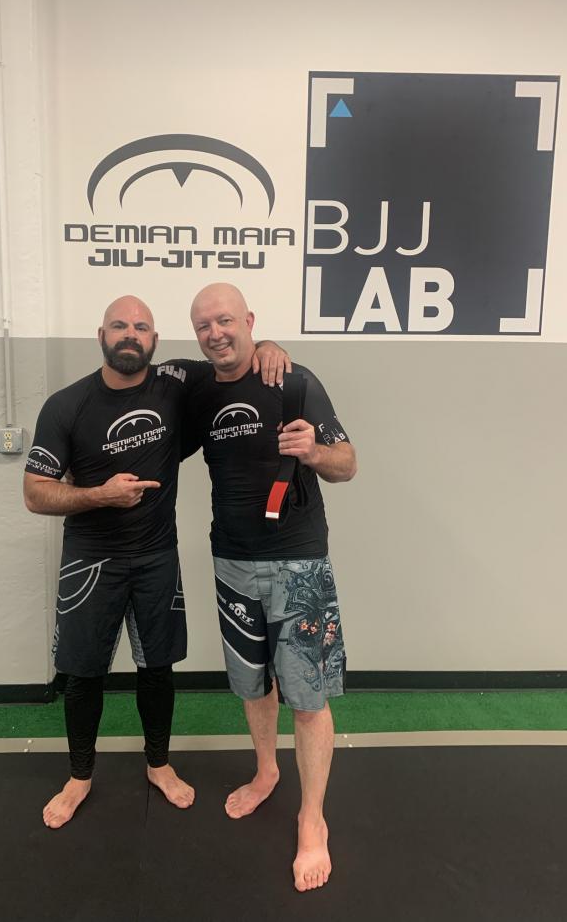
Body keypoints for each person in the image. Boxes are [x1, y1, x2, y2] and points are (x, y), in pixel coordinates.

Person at [23, 294, 288, 829]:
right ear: (101, 335)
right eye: (119, 325)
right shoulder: (66, 405)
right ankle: (79, 777)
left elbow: (230, 358)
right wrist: (98, 495)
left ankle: (159, 765)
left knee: (157, 669)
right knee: (82, 674)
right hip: (90, 562)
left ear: (155, 340)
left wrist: (267, 345)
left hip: (155, 557)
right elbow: (35, 493)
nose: (130, 334)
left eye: (141, 327)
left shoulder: (176, 381)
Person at [186, 283, 357, 892]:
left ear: (249, 320)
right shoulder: (199, 391)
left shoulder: (294, 380)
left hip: (297, 563)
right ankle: (266, 772)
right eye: (203, 325)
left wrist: (314, 452)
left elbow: (348, 462)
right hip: (231, 560)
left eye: (225, 320)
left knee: (307, 698)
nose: (216, 333)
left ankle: (313, 818)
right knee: (252, 684)